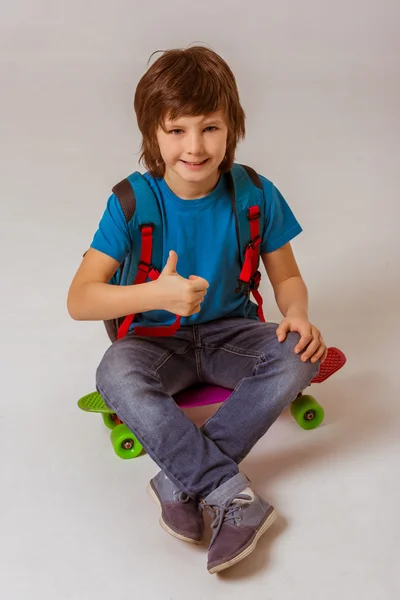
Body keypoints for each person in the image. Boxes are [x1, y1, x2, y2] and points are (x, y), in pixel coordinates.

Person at [67, 45, 327, 575]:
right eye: (176, 129)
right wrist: (153, 295)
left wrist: (296, 313)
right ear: (153, 135)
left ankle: (179, 477)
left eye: (209, 127)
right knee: (115, 371)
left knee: (300, 356)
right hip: (156, 345)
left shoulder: (255, 193)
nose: (194, 146)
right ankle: (227, 490)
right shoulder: (131, 202)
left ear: (232, 127)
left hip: (232, 333)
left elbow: (288, 277)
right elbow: (80, 299)